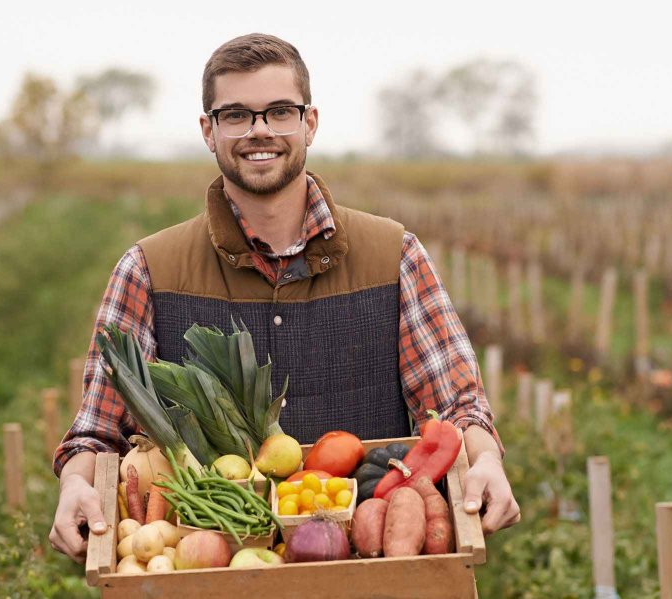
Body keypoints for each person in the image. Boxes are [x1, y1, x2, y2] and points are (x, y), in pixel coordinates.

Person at [49, 33, 519, 562]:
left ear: (309, 123)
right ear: (209, 130)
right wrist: (75, 486)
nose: (259, 131)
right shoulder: (147, 271)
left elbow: (456, 406)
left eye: (279, 111)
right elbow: (97, 433)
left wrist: (486, 462)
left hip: (375, 568)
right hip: (211, 570)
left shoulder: (395, 256)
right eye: (236, 115)